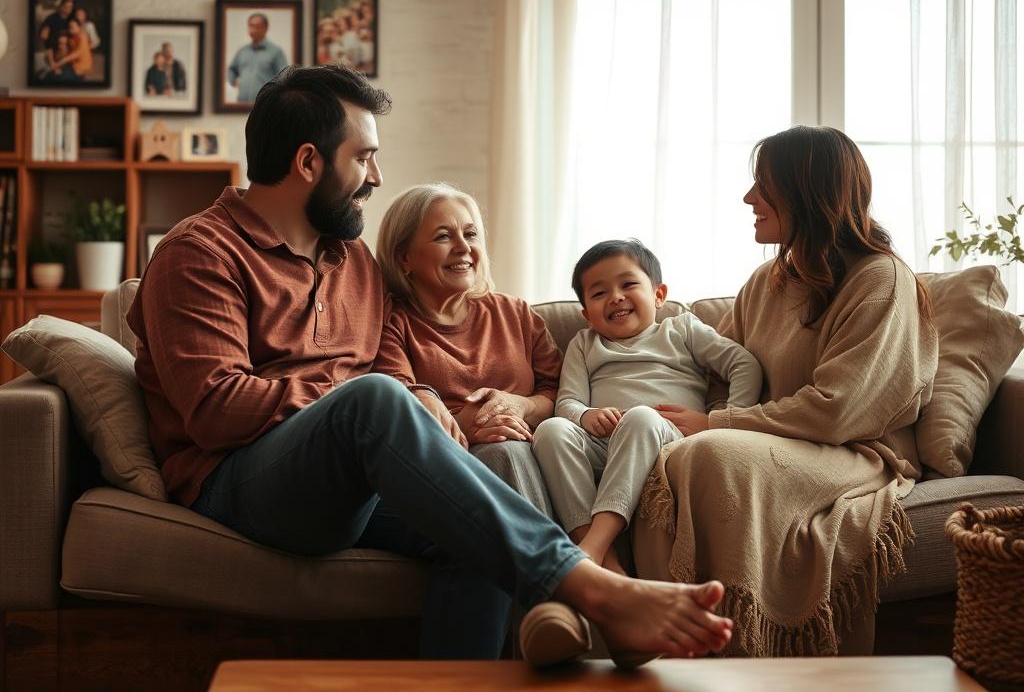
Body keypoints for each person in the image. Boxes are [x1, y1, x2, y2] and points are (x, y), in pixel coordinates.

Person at [126, 63, 733, 667]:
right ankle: (595, 590)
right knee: (376, 399)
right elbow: (214, 412)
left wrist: (432, 401)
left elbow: (406, 359)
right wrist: (370, 393)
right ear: (309, 162)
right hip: (240, 481)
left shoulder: (355, 263)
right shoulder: (199, 254)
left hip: (351, 488)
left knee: (474, 526)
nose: (376, 177)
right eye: (363, 158)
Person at [633, 125, 939, 657]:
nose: (749, 198)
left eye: (763, 185)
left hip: (853, 453)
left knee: (710, 453)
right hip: (780, 442)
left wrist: (716, 424)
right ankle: (661, 640)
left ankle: (734, 647)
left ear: (808, 192)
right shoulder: (767, 281)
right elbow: (716, 373)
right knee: (667, 451)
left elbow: (840, 410)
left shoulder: (881, 280)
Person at [532, 239, 761, 576]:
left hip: (667, 439)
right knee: (550, 430)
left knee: (640, 416)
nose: (615, 297)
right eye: (598, 293)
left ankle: (593, 546)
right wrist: (586, 415)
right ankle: (602, 557)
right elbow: (566, 402)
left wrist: (722, 423)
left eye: (628, 284)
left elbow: (744, 365)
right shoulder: (584, 343)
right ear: (586, 315)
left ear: (658, 294)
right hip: (603, 446)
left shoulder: (681, 328)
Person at [374, 182, 562, 519]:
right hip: (449, 472)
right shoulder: (389, 325)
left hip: (533, 455)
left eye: (471, 234)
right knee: (502, 454)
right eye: (443, 236)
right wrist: (465, 426)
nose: (463, 248)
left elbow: (562, 391)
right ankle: (559, 567)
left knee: (510, 451)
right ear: (404, 257)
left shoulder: (515, 313)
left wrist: (522, 405)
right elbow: (400, 411)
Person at [226, 12, 289, 103]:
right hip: (241, 104)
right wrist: (233, 82)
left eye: (256, 26)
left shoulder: (276, 51)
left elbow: (284, 78)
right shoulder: (242, 51)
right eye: (250, 26)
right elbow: (232, 69)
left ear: (265, 28)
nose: (252, 29)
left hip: (265, 104)